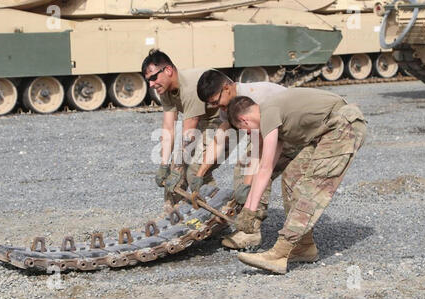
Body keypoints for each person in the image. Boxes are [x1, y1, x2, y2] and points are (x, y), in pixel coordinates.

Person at [227, 88, 366, 274]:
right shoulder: (273, 115)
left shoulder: (267, 113)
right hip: (326, 131)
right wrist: (249, 210)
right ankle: (303, 247)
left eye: (245, 131)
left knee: (312, 188)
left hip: (343, 125)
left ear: (243, 121)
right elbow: (265, 170)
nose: (249, 134)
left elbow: (265, 168)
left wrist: (249, 211)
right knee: (292, 176)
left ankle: (280, 253)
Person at [195, 69, 300, 250]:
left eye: (216, 101)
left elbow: (259, 152)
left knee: (259, 173)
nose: (216, 107)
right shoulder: (228, 105)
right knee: (245, 168)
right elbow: (220, 138)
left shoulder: (257, 97)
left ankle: (251, 230)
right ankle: (246, 219)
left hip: (294, 131)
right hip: (274, 133)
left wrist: (248, 183)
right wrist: (200, 173)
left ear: (227, 88)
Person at [141, 50, 221, 214]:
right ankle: (173, 215)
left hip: (223, 117)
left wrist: (178, 169)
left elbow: (189, 133)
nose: (150, 84)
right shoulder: (165, 89)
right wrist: (164, 166)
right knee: (174, 168)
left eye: (153, 78)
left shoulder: (190, 87)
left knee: (195, 169)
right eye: (148, 80)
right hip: (202, 119)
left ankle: (215, 212)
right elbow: (169, 128)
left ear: (168, 71)